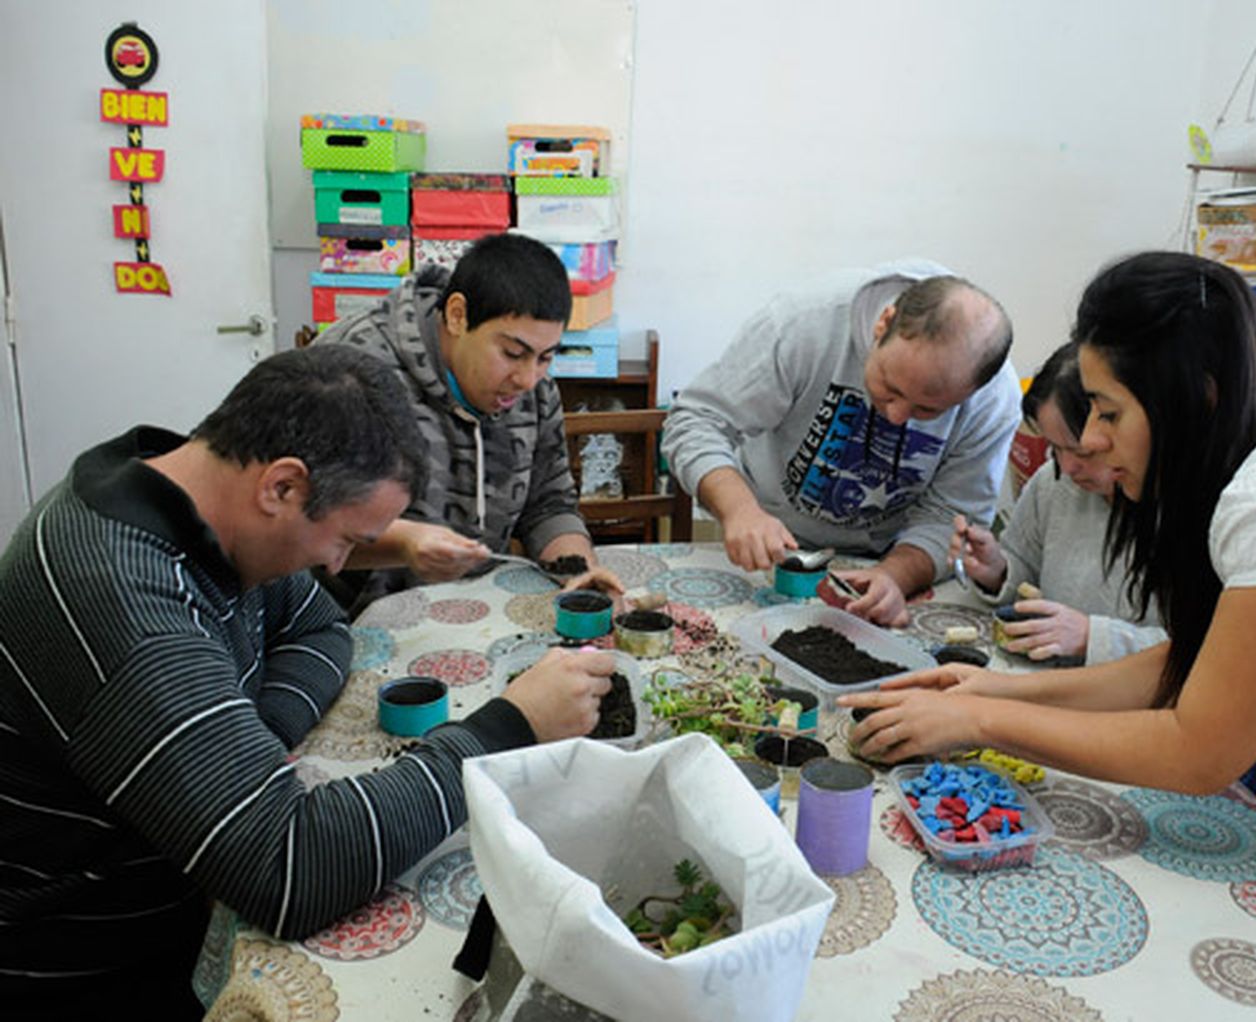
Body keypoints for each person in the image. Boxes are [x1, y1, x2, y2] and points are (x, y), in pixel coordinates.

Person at [846, 251, 1256, 1019]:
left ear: (1196, 396)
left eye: (1110, 411)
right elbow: (1187, 665)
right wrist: (991, 685)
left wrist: (982, 719)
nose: (1091, 438)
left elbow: (1202, 749)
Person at [0, 346, 617, 1017]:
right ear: (283, 487)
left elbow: (321, 628)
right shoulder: (121, 596)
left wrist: (246, 739)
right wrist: (508, 725)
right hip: (89, 962)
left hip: (163, 893)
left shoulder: (194, 505)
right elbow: (289, 871)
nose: (339, 562)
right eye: (347, 540)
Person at [662, 262, 1022, 626]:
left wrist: (893, 576)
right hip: (769, 539)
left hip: (891, 554)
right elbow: (696, 420)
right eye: (890, 387)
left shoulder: (993, 399)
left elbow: (950, 516)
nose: (896, 417)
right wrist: (740, 510)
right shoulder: (805, 325)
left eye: (927, 410)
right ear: (883, 324)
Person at [316, 232, 621, 612]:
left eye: (545, 357)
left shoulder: (534, 389)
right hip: (351, 619)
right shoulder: (351, 372)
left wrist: (579, 570)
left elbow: (547, 502)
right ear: (458, 315)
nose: (528, 379)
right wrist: (406, 543)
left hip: (473, 610)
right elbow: (304, 522)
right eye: (513, 353)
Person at [949, 341, 1166, 663]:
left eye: (1082, 452)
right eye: (1055, 449)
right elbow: (1028, 577)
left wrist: (1092, 638)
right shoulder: (1053, 483)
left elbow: (1210, 655)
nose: (1067, 468)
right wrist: (997, 569)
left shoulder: (1193, 510)